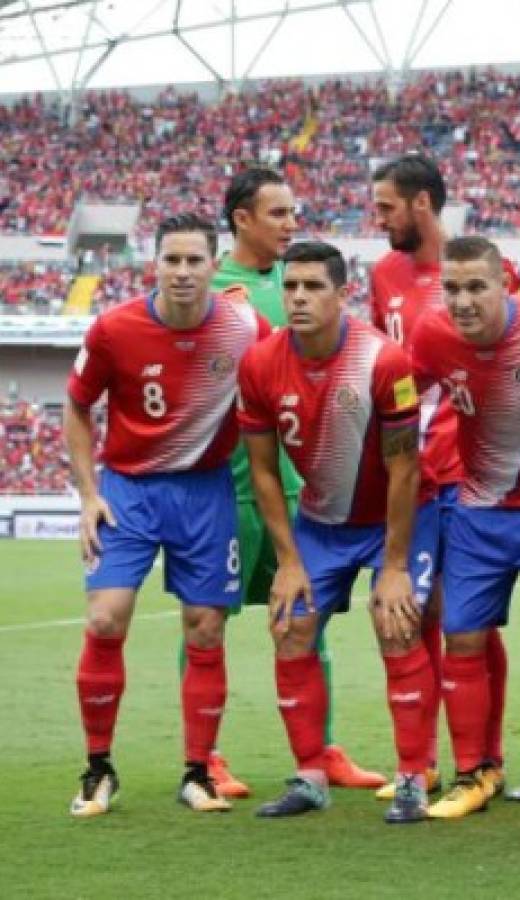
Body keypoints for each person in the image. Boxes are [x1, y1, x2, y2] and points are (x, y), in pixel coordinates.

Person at [65, 213, 269, 817]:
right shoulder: (113, 329)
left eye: (194, 260)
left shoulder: (243, 329)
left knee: (206, 627)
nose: (182, 272)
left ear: (214, 265)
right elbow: (77, 409)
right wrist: (86, 493)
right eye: (172, 260)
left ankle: (198, 771)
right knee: (106, 619)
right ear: (156, 262)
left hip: (206, 492)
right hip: (128, 490)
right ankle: (98, 768)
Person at [237, 241, 436, 822]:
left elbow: (406, 468)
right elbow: (264, 471)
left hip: (391, 522)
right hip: (320, 525)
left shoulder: (384, 361)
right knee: (290, 627)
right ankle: (309, 774)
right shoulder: (259, 363)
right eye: (290, 286)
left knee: (396, 627)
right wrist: (289, 560)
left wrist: (395, 566)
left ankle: (411, 779)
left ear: (341, 293)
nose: (298, 297)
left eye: (312, 287)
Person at [208, 167, 384, 798]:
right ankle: (208, 756)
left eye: (292, 212)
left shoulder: (302, 283)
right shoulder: (210, 284)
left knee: (308, 623)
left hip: (305, 487)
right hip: (230, 487)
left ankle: (322, 749)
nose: (290, 224)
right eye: (277, 213)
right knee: (209, 620)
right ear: (242, 220)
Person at [410, 236, 520, 822]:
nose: (462, 300)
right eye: (451, 288)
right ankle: (474, 773)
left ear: (505, 284)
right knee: (462, 639)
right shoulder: (432, 335)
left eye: (475, 286)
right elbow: (400, 394)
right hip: (478, 512)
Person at [369, 153, 509, 801]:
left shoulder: (477, 270)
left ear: (421, 204)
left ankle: (483, 758)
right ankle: (418, 763)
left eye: (387, 207)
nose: (379, 218)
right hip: (412, 472)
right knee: (410, 612)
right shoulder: (383, 275)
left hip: (470, 472)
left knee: (465, 619)